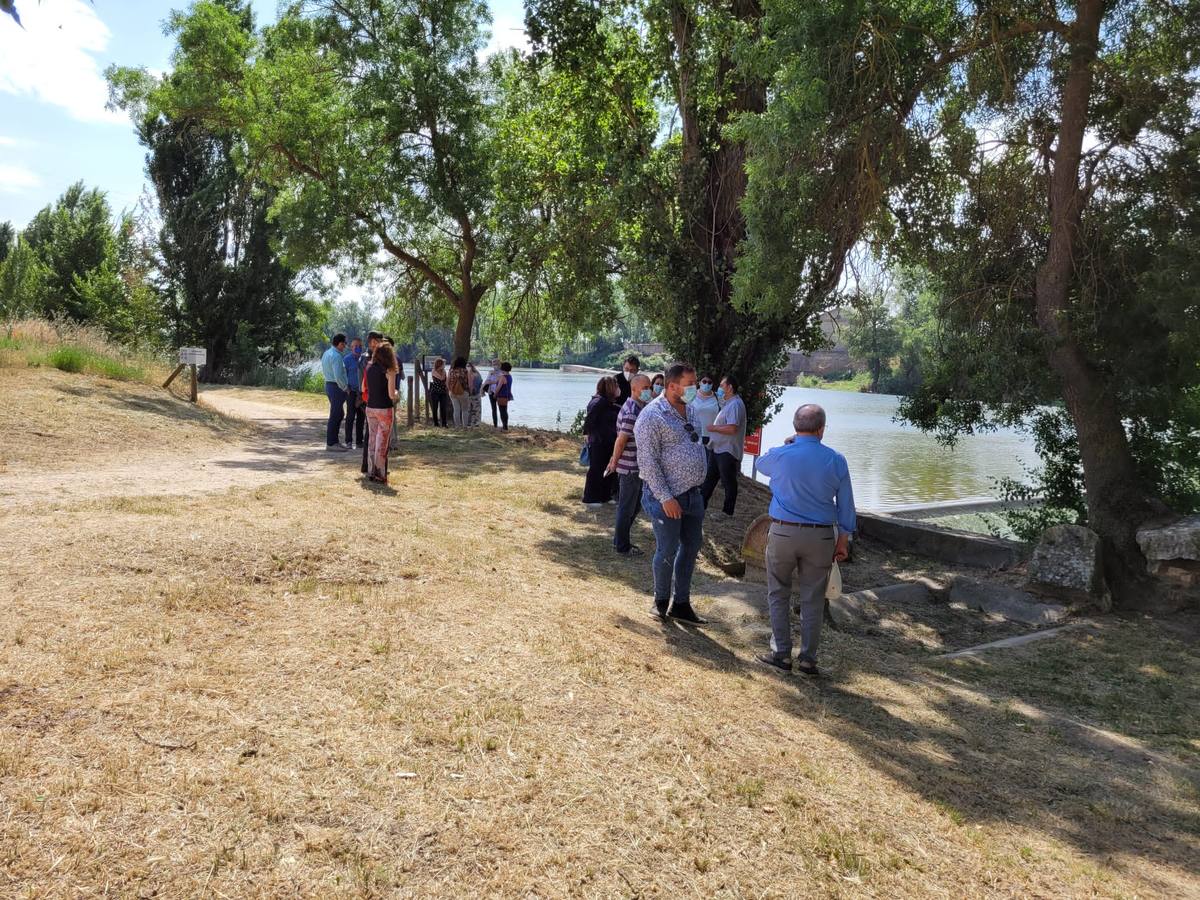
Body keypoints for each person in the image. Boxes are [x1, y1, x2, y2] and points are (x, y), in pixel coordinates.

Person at [754, 403, 856, 676]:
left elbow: (760, 463)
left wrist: (786, 444)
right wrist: (843, 539)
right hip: (821, 536)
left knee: (778, 592)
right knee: (813, 598)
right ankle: (809, 659)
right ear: (822, 429)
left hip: (783, 531)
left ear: (795, 428)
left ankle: (781, 653)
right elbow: (846, 505)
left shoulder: (782, 454)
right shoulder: (836, 460)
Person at [633, 363, 710, 623]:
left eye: (695, 383)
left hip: (693, 495)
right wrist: (666, 497)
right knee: (667, 549)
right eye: (690, 384)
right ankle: (660, 601)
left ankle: (682, 604)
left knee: (691, 548)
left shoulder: (692, 410)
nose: (695, 388)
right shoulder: (652, 416)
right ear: (672, 386)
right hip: (666, 497)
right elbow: (648, 461)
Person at [606, 373, 652, 556]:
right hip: (629, 466)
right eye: (645, 388)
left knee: (634, 505)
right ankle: (622, 546)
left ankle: (620, 539)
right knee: (627, 507)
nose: (649, 391)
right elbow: (621, 439)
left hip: (636, 466)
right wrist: (614, 461)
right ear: (634, 389)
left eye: (650, 387)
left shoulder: (641, 407)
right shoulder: (633, 410)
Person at [702, 374, 747, 516]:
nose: (719, 388)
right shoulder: (729, 403)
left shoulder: (735, 404)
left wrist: (713, 428)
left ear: (730, 387)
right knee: (709, 480)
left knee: (728, 482)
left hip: (727, 451)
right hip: (718, 448)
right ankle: (700, 507)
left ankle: (727, 513)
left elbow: (733, 428)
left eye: (722, 385)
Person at [582, 375, 621, 506]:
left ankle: (605, 495)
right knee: (596, 469)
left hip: (609, 441)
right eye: (616, 386)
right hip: (598, 441)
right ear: (611, 388)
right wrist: (586, 433)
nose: (618, 389)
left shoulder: (608, 403)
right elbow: (589, 420)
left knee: (608, 468)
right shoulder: (598, 402)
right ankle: (590, 498)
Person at [363, 342, 399, 482]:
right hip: (384, 408)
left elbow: (365, 387)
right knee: (382, 442)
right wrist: (397, 393)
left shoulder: (369, 367)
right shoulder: (389, 370)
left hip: (370, 407)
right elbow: (391, 394)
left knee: (372, 439)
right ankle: (380, 473)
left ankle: (371, 470)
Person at [321, 333, 350, 452]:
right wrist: (345, 388)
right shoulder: (337, 356)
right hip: (336, 387)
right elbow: (338, 376)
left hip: (329, 385)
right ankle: (331, 443)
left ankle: (335, 441)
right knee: (335, 415)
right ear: (340, 343)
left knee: (338, 414)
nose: (345, 347)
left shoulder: (327, 353)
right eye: (344, 344)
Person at [343, 337, 366, 449]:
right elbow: (343, 375)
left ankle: (359, 441)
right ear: (351, 347)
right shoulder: (346, 360)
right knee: (350, 417)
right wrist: (346, 388)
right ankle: (348, 441)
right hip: (351, 392)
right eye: (356, 346)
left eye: (360, 346)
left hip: (362, 393)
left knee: (361, 417)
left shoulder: (364, 360)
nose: (358, 348)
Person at [690, 375, 721, 445]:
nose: (707, 384)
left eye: (709, 382)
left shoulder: (718, 397)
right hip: (694, 436)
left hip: (713, 438)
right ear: (699, 383)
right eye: (704, 381)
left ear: (712, 384)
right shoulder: (691, 395)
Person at [448, 357, 470, 426]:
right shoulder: (465, 371)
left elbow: (448, 381)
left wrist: (450, 390)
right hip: (463, 392)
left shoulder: (451, 371)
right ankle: (465, 426)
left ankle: (457, 426)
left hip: (453, 391)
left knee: (456, 409)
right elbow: (469, 381)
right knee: (464, 410)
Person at [428, 357, 450, 427]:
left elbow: (445, 381)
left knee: (443, 408)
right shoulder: (434, 371)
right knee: (435, 408)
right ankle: (436, 423)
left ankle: (444, 423)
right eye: (443, 364)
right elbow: (440, 378)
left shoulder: (444, 371)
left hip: (443, 392)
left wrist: (448, 389)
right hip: (435, 392)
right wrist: (442, 371)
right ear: (439, 364)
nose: (444, 365)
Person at [481, 361, 502, 427]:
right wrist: (483, 387)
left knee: (502, 408)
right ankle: (495, 425)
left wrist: (491, 381)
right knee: (493, 409)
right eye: (493, 364)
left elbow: (498, 381)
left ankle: (504, 425)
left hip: (499, 392)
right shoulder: (490, 372)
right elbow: (487, 380)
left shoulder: (502, 372)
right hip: (491, 392)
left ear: (499, 365)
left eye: (496, 364)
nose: (494, 366)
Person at [495, 362, 514, 430]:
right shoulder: (510, 376)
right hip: (507, 395)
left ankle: (504, 426)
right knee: (505, 410)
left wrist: (495, 394)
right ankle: (505, 425)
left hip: (502, 395)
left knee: (502, 411)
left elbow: (498, 388)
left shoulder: (503, 377)